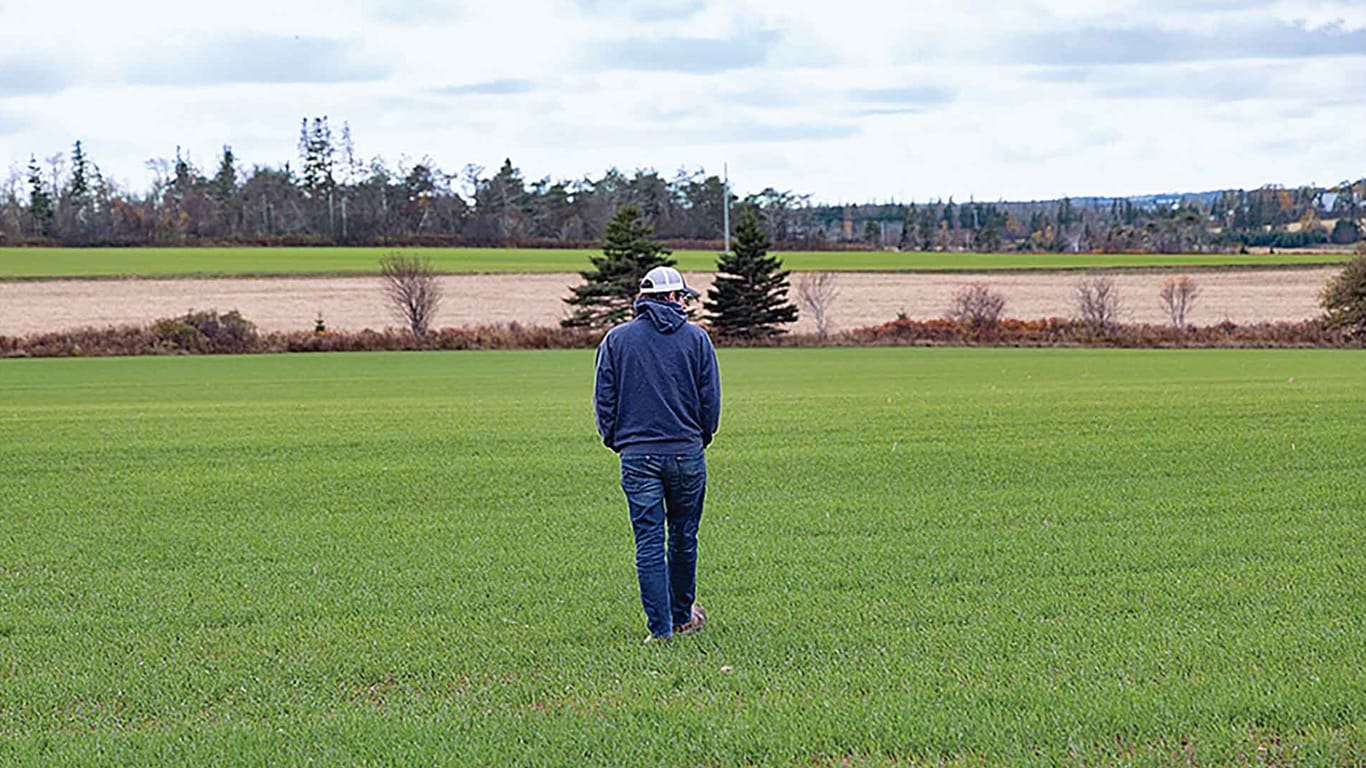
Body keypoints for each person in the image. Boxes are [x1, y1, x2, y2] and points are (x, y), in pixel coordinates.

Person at [594, 265, 721, 643]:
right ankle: (682, 615)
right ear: (669, 298)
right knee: (683, 536)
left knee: (648, 541)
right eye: (683, 297)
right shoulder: (697, 340)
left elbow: (605, 399)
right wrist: (701, 438)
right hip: (686, 453)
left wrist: (615, 440)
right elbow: (709, 402)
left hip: (637, 456)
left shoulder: (616, 340)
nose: (686, 303)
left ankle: (660, 629)